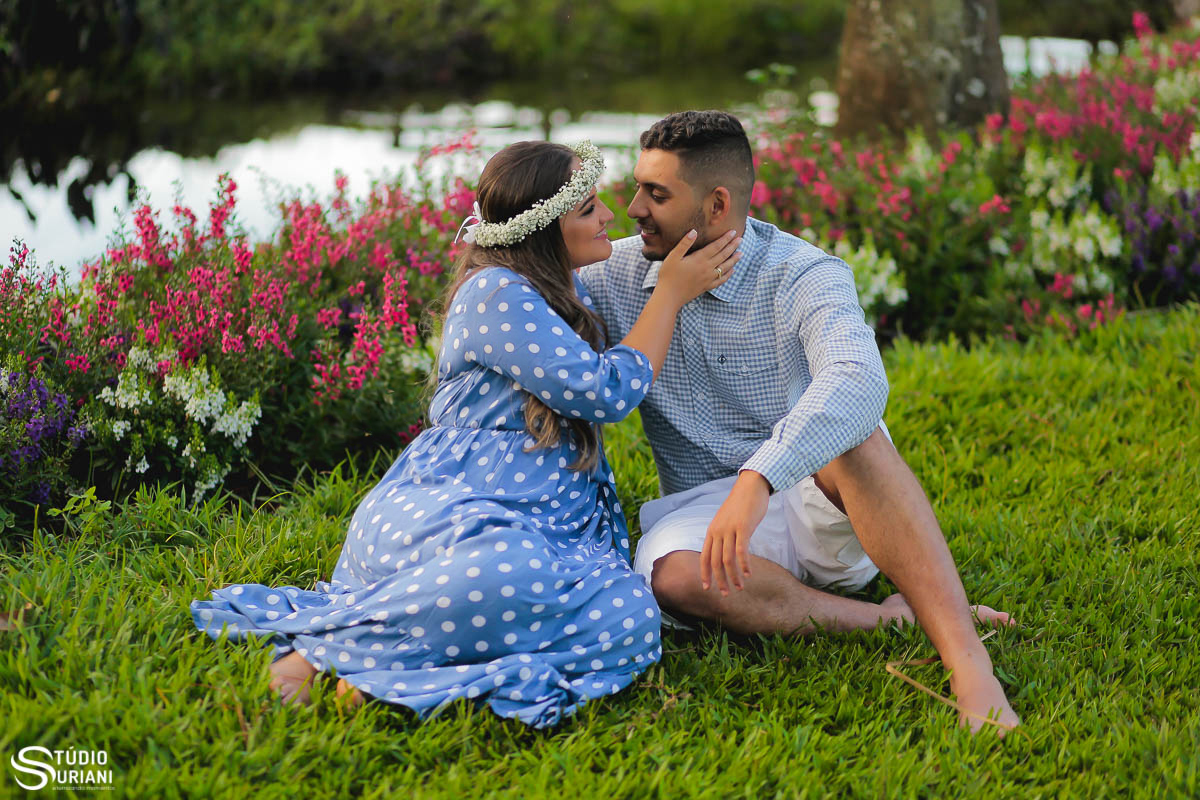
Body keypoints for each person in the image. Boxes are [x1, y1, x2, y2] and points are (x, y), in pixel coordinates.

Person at [189, 140, 742, 728]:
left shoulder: (561, 284)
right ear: (543, 231)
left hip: (552, 520)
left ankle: (397, 681)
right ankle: (319, 655)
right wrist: (670, 293)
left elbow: (631, 266)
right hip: (456, 502)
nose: (610, 214)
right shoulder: (495, 292)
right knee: (506, 571)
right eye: (587, 209)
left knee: (629, 614)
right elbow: (604, 393)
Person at [579, 111, 1021, 734]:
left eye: (657, 193)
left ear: (717, 204)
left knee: (854, 439)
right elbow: (526, 298)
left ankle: (969, 665)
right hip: (710, 524)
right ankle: (886, 619)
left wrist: (758, 477)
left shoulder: (804, 273)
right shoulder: (615, 275)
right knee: (671, 577)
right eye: (637, 188)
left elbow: (859, 380)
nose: (633, 209)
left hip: (821, 500)